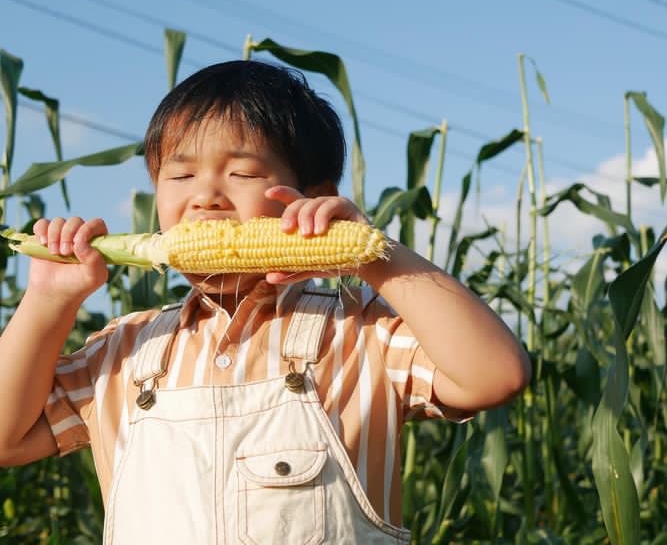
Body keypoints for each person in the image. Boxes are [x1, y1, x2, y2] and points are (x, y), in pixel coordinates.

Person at [0, 60, 530, 543]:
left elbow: (495, 376)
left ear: (313, 196)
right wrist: (47, 300)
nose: (205, 195)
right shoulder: (122, 352)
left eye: (243, 173)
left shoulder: (361, 335)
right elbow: (7, 438)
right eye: (180, 175)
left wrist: (376, 256)